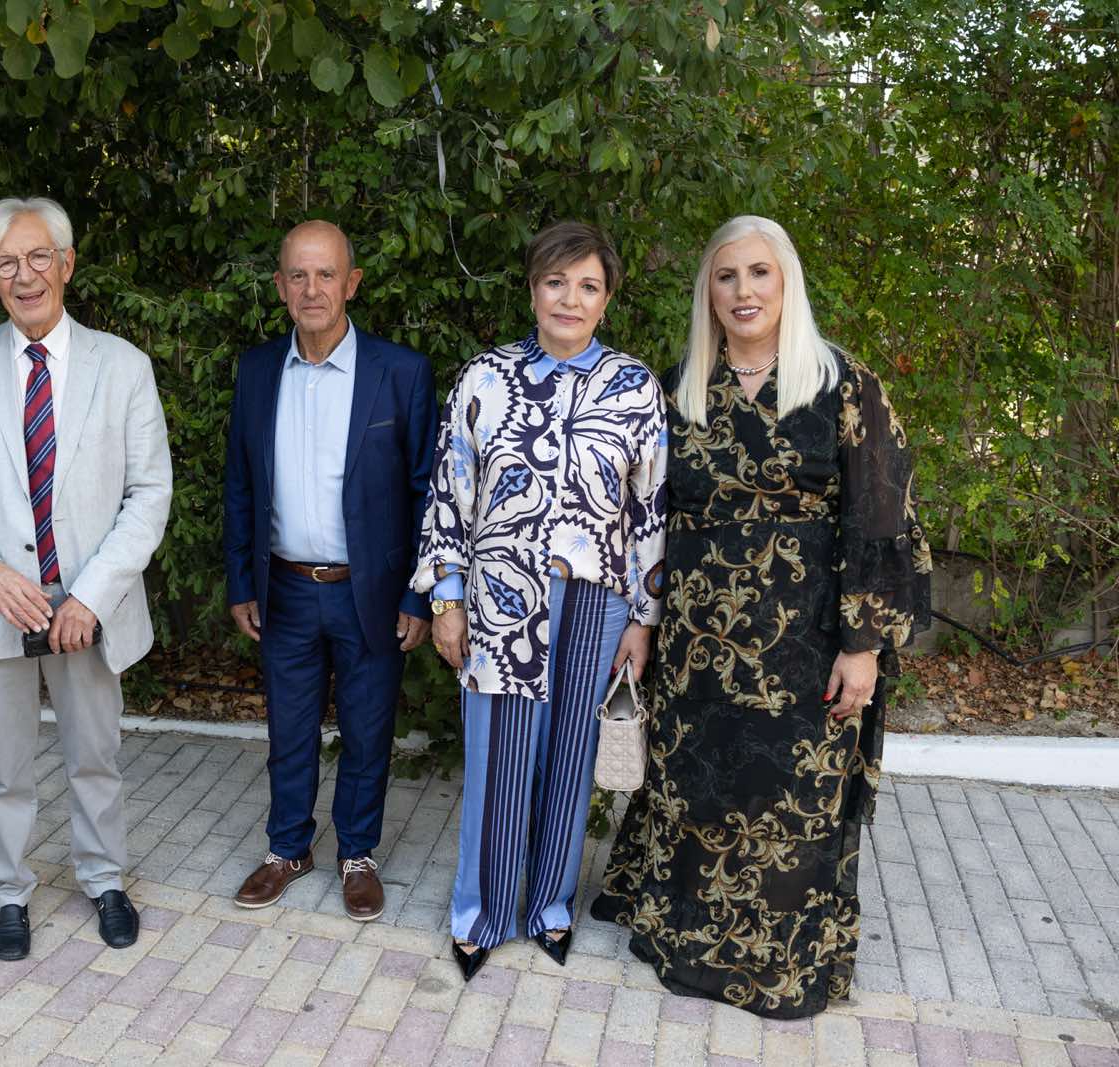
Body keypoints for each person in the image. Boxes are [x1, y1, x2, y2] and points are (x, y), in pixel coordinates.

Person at [589, 215, 933, 1018]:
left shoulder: (842, 383)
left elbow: (881, 517)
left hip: (805, 647)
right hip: (697, 644)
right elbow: (650, 518)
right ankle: (689, 948)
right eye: (726, 275)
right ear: (708, 292)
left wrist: (864, 644)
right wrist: (641, 621)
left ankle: (779, 968)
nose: (743, 290)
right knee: (700, 791)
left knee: (790, 803)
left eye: (759, 273)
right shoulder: (681, 387)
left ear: (787, 283)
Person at [414, 220, 667, 982]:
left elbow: (650, 511)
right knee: (497, 759)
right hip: (500, 598)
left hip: (597, 603)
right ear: (532, 289)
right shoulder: (483, 379)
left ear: (606, 299)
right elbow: (449, 491)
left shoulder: (634, 387)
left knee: (569, 759)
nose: (570, 298)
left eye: (588, 286)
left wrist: (645, 619)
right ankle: (480, 913)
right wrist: (447, 599)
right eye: (556, 282)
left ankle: (550, 906)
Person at [0, 196, 171, 958]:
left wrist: (91, 595)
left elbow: (149, 493)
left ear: (66, 264)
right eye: (6, 263)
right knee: (2, 768)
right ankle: (7, 890)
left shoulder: (123, 366)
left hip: (89, 610)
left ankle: (104, 877)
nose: (24, 275)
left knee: (96, 756)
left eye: (37, 258)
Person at [222, 220, 438, 921]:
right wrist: (241, 581)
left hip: (369, 592)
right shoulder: (258, 370)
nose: (311, 289)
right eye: (298, 275)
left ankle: (357, 854)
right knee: (288, 730)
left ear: (352, 284)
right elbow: (240, 483)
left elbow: (427, 492)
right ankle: (288, 847)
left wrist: (419, 594)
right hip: (284, 587)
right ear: (280, 286)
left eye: (326, 275)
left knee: (368, 730)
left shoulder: (400, 372)